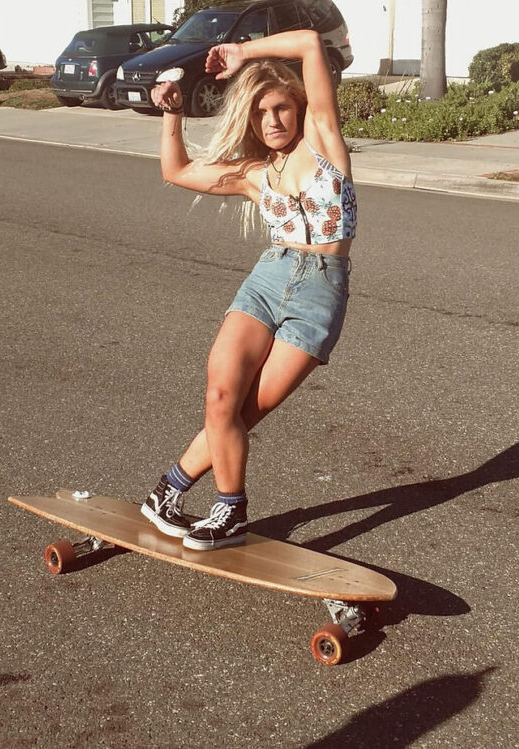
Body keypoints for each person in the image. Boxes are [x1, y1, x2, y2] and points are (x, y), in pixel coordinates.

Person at [142, 30, 357, 551]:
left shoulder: (324, 142)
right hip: (267, 280)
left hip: (319, 293)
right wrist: (173, 113)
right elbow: (177, 170)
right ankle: (230, 509)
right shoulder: (253, 174)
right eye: (261, 113)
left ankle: (166, 491)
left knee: (246, 411)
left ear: (299, 108)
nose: (273, 120)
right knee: (220, 397)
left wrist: (244, 54)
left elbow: (309, 43)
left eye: (281, 107)